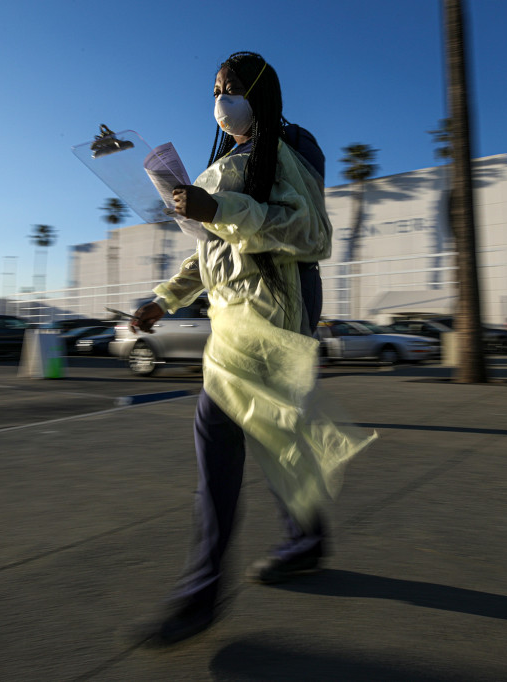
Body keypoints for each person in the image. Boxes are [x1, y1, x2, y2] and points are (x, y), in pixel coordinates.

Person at [131, 52, 375, 646]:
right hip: (234, 319)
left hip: (276, 316)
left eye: (232, 87)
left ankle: (200, 594)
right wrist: (164, 298)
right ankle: (307, 539)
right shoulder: (225, 161)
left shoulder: (290, 147)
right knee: (273, 434)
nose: (220, 99)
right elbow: (211, 249)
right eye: (215, 89)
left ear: (260, 93)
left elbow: (311, 232)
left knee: (219, 435)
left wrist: (221, 208)